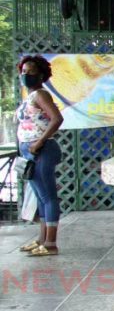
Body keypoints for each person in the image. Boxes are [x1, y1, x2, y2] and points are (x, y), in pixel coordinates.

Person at [16, 55, 64, 256]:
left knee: (48, 197)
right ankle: (42, 239)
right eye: (24, 72)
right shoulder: (30, 96)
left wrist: (39, 142)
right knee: (40, 197)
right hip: (31, 150)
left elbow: (56, 119)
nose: (26, 75)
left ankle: (51, 243)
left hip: (42, 150)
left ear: (41, 75)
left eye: (31, 72)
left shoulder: (41, 95)